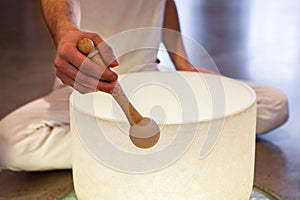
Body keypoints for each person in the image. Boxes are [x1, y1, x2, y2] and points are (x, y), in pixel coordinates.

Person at [0, 0, 288, 171]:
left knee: (273, 105)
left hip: (153, 79)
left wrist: (183, 63)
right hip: (90, 86)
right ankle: (172, 146)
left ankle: (144, 147)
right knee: (9, 143)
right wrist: (65, 29)